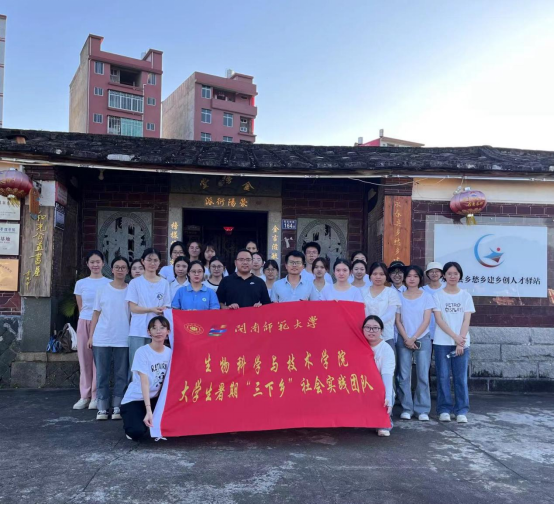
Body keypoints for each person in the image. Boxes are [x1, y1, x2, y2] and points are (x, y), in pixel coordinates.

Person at [88, 257, 130, 421]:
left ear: (127, 271)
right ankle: (102, 407)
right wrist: (91, 336)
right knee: (102, 374)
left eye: (123, 267)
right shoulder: (103, 289)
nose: (120, 270)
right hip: (102, 337)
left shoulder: (131, 290)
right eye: (117, 267)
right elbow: (96, 314)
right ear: (111, 270)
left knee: (121, 374)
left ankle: (118, 405)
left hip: (123, 337)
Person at [433, 262, 475, 424]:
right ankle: (444, 409)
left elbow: (466, 320)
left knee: (460, 378)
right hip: (442, 342)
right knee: (443, 376)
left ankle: (461, 410)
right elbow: (439, 320)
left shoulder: (466, 296)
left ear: (460, 275)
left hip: (462, 343)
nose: (452, 276)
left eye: (455, 273)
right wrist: (454, 337)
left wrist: (460, 341)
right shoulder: (438, 295)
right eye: (449, 273)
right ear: (444, 275)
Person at [121, 316, 172, 442]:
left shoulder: (170, 353)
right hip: (136, 399)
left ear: (168, 332)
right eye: (154, 328)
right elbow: (144, 382)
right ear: (149, 332)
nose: (158, 331)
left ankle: (150, 420)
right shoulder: (142, 352)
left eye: (162, 328)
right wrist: (149, 410)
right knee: (136, 432)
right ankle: (133, 419)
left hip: (157, 399)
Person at [395, 265, 436, 422]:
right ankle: (407, 408)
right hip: (403, 338)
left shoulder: (427, 297)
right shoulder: (399, 297)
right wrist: (406, 337)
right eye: (409, 276)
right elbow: (398, 320)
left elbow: (426, 320)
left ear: (420, 278)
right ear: (405, 278)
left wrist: (414, 337)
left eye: (415, 276)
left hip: (422, 338)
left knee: (422, 374)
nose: (412, 279)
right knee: (404, 375)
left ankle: (422, 409)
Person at [73, 251, 111, 411]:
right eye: (92, 262)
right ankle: (84, 396)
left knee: (98, 361)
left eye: (98, 261)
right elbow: (81, 307)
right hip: (84, 322)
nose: (95, 265)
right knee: (84, 360)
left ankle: (96, 396)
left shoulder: (109, 283)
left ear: (103, 263)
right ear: (87, 264)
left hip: (102, 323)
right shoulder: (81, 284)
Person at [126, 248, 171, 371]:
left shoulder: (164, 283)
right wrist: (151, 309)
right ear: (143, 261)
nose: (152, 263)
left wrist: (163, 310)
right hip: (138, 330)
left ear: (159, 262)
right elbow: (133, 308)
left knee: (155, 367)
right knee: (137, 367)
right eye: (149, 260)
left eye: (155, 260)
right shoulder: (135, 283)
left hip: (157, 331)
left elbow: (167, 306)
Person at [362, 315, 395, 438]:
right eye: (368, 327)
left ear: (381, 330)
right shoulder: (358, 345)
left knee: (383, 429)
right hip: (362, 386)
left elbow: (387, 376)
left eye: (375, 328)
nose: (371, 331)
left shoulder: (386, 349)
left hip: (379, 388)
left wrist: (388, 398)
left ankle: (385, 422)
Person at [363, 262, 401, 353]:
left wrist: (374, 325)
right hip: (366, 335)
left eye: (381, 274)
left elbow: (390, 313)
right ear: (370, 276)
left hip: (386, 335)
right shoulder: (362, 292)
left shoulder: (391, 292)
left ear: (386, 276)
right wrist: (370, 327)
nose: (378, 277)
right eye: (375, 274)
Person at [422, 262, 445, 341]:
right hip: (425, 327)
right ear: (427, 274)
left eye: (437, 271)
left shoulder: (446, 289)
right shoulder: (422, 290)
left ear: (441, 274)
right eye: (431, 271)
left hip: (442, 326)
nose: (434, 273)